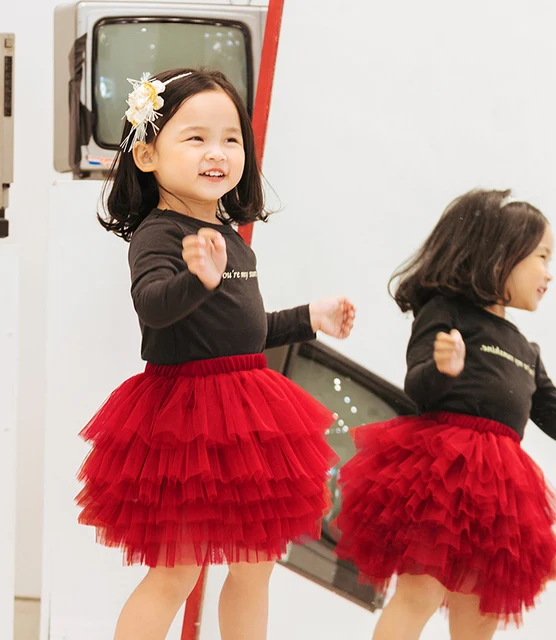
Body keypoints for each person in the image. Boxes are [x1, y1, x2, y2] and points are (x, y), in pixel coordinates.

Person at [76, 68, 356, 640]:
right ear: (149, 156)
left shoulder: (230, 236)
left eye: (232, 139)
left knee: (255, 569)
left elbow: (242, 332)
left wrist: (309, 318)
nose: (219, 152)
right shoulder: (158, 233)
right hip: (187, 423)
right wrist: (194, 281)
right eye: (196, 136)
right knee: (175, 573)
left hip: (247, 419)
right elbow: (154, 308)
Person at [334, 188, 556, 640]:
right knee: (419, 593)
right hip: (441, 479)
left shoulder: (525, 350)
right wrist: (444, 369)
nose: (549, 274)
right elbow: (418, 388)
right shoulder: (447, 313)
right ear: (502, 256)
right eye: (542, 256)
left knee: (479, 617)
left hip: (499, 500)